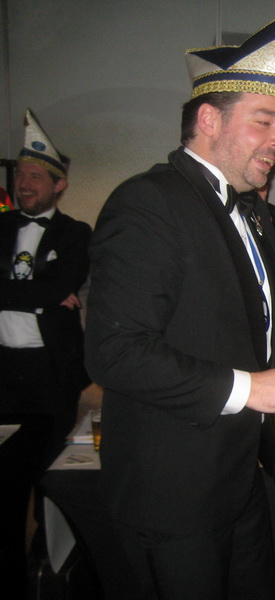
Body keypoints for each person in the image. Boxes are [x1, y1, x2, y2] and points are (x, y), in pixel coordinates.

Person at [84, 9, 275, 599]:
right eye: (264, 121)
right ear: (208, 119)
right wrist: (246, 388)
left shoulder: (254, 213)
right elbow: (114, 352)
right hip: (171, 494)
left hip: (242, 479)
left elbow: (252, 330)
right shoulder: (148, 203)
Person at [0, 109, 91, 596]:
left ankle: (54, 571)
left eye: (36, 176)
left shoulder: (75, 234)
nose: (24, 183)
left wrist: (46, 292)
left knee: (51, 480)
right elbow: (51, 290)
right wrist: (43, 295)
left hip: (52, 376)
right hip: (3, 374)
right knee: (5, 481)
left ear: (59, 185)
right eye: (20, 174)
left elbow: (63, 283)